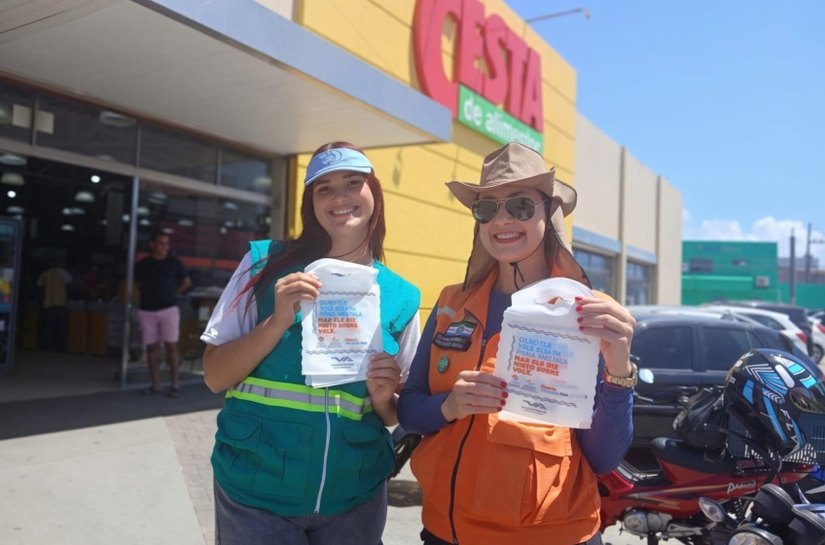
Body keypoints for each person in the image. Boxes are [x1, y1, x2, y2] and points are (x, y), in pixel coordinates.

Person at [397, 142, 637, 545]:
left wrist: (619, 370)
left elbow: (604, 458)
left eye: (520, 206)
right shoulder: (451, 303)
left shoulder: (590, 313)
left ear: (549, 213)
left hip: (554, 536)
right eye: (487, 208)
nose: (502, 219)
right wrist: (449, 406)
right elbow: (409, 410)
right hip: (446, 531)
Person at [200, 142, 421, 545]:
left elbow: (394, 414)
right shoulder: (264, 263)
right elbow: (214, 376)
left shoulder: (402, 295)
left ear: (374, 192)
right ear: (310, 203)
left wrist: (383, 396)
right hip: (256, 492)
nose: (339, 197)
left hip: (355, 494)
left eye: (352, 183)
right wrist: (277, 320)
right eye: (324, 188)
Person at [134, 231, 191, 397]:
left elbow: (186, 282)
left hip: (169, 309)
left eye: (167, 243)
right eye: (161, 243)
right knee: (151, 347)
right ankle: (156, 384)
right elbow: (137, 284)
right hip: (147, 310)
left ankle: (175, 385)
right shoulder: (143, 264)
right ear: (152, 244)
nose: (164, 246)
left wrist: (174, 294)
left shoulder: (175, 263)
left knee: (171, 346)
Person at [37, 256, 72, 351]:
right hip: (61, 302)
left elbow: (39, 287)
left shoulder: (45, 274)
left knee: (49, 326)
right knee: (61, 326)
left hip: (48, 303)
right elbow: (70, 286)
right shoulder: (64, 273)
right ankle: (60, 346)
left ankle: (48, 346)